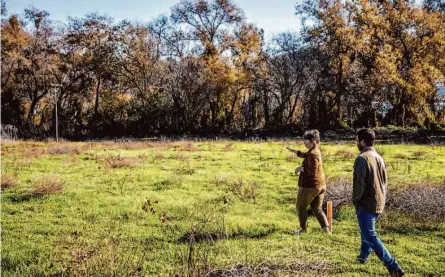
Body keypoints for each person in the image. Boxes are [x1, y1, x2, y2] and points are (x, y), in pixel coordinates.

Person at [353, 129, 404, 277]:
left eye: (357, 140)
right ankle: (363, 258)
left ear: (362, 142)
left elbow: (359, 185)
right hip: (379, 201)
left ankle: (393, 266)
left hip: (366, 202)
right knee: (366, 231)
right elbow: (384, 182)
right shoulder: (379, 157)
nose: (356, 143)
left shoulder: (362, 158)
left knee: (370, 235)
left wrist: (356, 200)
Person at [287, 130, 330, 234]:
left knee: (300, 206)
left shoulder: (312, 154)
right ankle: (326, 231)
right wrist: (295, 151)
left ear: (312, 141)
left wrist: (300, 168)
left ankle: (303, 229)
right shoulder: (315, 151)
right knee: (317, 208)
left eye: (305, 140)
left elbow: (312, 170)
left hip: (311, 185)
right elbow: (306, 155)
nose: (304, 142)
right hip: (321, 185)